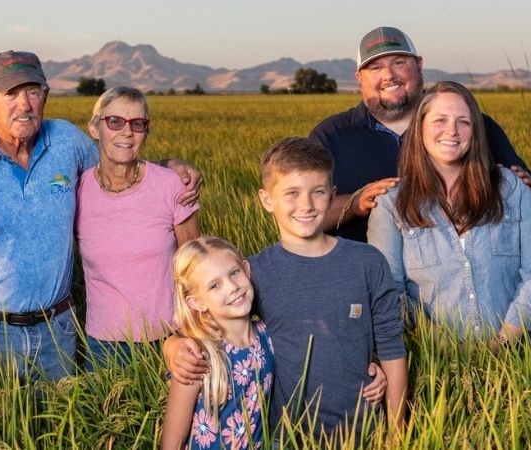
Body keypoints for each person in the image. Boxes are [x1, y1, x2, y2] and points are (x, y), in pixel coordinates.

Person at [0, 50, 201, 381]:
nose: (24, 104)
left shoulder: (65, 140)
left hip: (56, 335)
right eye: (10, 93)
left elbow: (117, 155)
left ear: (45, 96)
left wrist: (169, 167)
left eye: (33, 92)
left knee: (59, 430)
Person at [164, 138, 407, 442]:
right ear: (267, 200)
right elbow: (209, 326)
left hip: (362, 431)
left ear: (332, 196)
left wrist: (398, 436)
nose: (305, 205)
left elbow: (391, 348)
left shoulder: (368, 262)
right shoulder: (252, 273)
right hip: (285, 436)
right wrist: (171, 345)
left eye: (317, 192)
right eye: (291, 193)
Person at [309, 26, 531, 243]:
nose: (389, 75)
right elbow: (303, 213)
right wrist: (355, 203)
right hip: (365, 280)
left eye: (399, 62)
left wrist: (530, 193)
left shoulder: (472, 125)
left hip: (460, 281)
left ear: (419, 64)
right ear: (360, 78)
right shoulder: (330, 136)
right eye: (376, 67)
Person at [367, 81, 531, 349]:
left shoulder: (512, 189)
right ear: (419, 129)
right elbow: (389, 292)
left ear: (475, 131)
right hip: (435, 364)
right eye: (440, 120)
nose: (452, 131)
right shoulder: (390, 203)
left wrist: (502, 343)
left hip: (519, 355)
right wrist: (450, 349)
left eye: (464, 122)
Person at [76, 86, 200, 370]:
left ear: (147, 131)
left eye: (138, 124)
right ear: (95, 128)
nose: (127, 132)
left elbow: (195, 267)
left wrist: (192, 334)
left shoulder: (171, 185)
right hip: (104, 347)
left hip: (170, 339)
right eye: (115, 122)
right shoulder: (78, 189)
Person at [161, 236, 274, 450]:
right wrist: (171, 343)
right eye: (214, 285)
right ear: (197, 302)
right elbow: (171, 442)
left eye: (234, 273)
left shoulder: (267, 336)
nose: (232, 287)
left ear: (246, 270)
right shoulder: (197, 356)